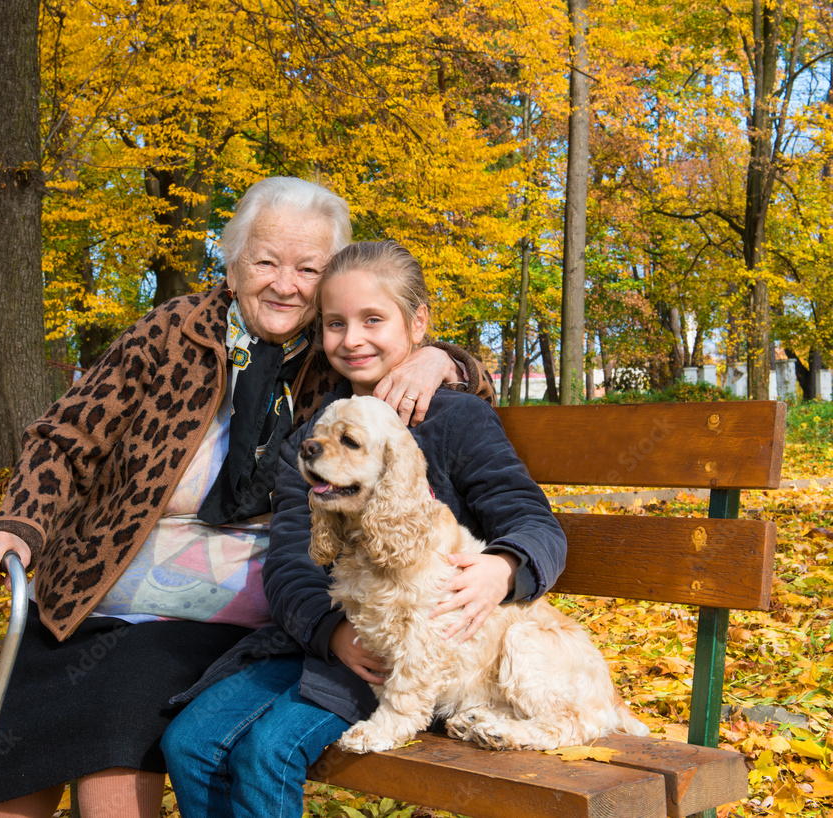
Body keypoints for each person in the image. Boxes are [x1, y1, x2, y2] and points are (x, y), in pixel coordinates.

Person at [0, 182, 494, 818]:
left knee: (118, 699)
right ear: (232, 265)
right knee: (37, 703)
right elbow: (66, 434)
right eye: (266, 262)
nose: (286, 285)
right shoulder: (173, 331)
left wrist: (441, 360)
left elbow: (409, 349)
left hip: (238, 610)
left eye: (309, 269)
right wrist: (18, 522)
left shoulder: (333, 360)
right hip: (99, 586)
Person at [161, 240, 568, 818]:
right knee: (190, 743)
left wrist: (503, 569)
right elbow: (291, 566)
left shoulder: (455, 419)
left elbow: (532, 521)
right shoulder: (314, 435)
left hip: (417, 654)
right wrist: (331, 633)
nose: (352, 339)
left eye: (372, 320)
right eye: (334, 323)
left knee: (268, 752)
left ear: (418, 322)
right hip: (330, 641)